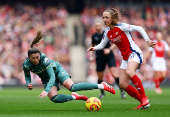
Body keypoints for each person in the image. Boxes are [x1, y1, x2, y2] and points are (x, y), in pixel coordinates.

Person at [87, 8, 156, 109]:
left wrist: (148, 41)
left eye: (107, 17)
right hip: (125, 58)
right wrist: (94, 48)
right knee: (122, 84)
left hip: (134, 53)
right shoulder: (107, 32)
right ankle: (142, 102)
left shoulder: (121, 26)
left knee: (129, 71)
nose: (104, 20)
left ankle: (144, 98)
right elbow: (102, 45)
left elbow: (139, 28)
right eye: (103, 18)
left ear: (112, 18)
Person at [23, 29, 116, 103]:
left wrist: (46, 90)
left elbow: (52, 76)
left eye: (37, 57)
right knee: (54, 98)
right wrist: (28, 83)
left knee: (72, 87)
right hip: (46, 78)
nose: (36, 60)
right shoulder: (26, 64)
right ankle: (74, 97)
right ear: (28, 57)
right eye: (33, 58)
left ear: (39, 55)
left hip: (56, 72)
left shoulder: (44, 59)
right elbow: (27, 75)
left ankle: (102, 86)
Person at [89, 20, 126, 99]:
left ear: (102, 26)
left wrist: (109, 49)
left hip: (109, 55)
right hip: (99, 57)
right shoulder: (94, 36)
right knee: (99, 77)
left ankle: (122, 92)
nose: (98, 27)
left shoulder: (107, 33)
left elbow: (115, 43)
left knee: (115, 74)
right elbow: (93, 46)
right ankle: (102, 93)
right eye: (96, 26)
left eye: (99, 25)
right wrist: (91, 55)